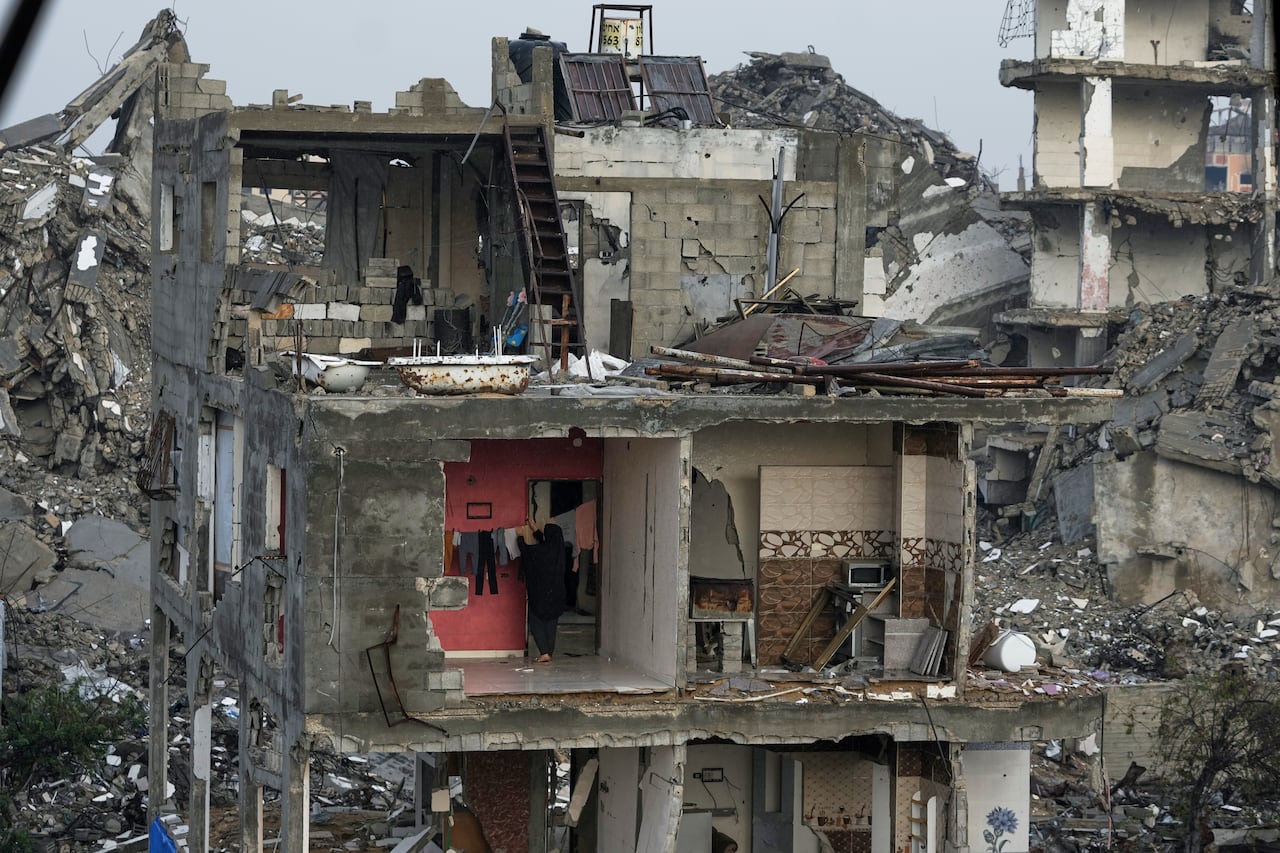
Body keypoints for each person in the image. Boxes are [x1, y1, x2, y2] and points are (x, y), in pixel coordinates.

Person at [520, 523, 567, 662]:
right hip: (557, 594)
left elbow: (528, 552)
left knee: (536, 622)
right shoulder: (559, 550)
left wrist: (520, 539)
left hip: (541, 593)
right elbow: (546, 544)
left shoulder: (543, 551)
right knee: (551, 625)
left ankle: (545, 653)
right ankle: (548, 653)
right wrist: (535, 530)